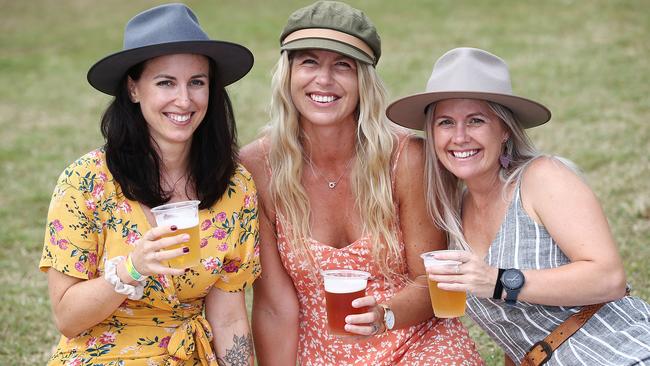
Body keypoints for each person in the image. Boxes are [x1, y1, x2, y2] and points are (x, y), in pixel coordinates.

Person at [240, 2, 483, 365]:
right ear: (287, 73)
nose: (324, 79)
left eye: (343, 65)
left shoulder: (406, 157)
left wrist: (384, 315)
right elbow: (275, 307)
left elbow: (428, 283)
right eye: (309, 61)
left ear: (363, 80)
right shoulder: (257, 165)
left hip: (412, 338)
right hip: (320, 351)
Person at [387, 47, 650, 365]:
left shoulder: (542, 178)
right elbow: (518, 335)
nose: (459, 136)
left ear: (505, 129)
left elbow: (609, 278)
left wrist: (499, 281)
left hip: (622, 353)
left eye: (475, 120)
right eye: (445, 122)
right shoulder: (452, 215)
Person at [39, 4, 260, 365]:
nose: (184, 100)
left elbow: (229, 316)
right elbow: (67, 318)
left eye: (197, 82)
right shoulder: (86, 181)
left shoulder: (235, 186)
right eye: (165, 82)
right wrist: (131, 269)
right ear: (133, 89)